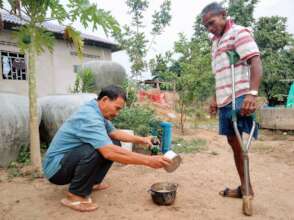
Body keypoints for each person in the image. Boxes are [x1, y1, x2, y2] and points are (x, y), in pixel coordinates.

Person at [43, 85, 171, 212]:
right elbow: (109, 152)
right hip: (56, 170)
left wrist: (143, 139)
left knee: (113, 142)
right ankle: (74, 195)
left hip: (67, 161)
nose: (117, 113)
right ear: (104, 100)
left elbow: (114, 133)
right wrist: (149, 161)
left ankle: (92, 183)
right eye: (117, 108)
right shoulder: (89, 117)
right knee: (96, 150)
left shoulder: (96, 111)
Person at [201, 2, 263, 198]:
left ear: (223, 15)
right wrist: (215, 98)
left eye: (212, 23)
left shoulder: (239, 32)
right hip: (224, 98)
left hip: (239, 95)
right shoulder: (215, 42)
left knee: (239, 144)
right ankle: (246, 187)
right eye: (207, 26)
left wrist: (252, 94)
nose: (210, 28)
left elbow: (255, 61)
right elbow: (218, 74)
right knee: (233, 142)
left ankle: (247, 188)